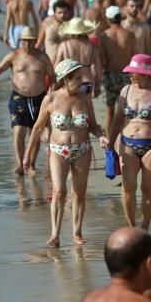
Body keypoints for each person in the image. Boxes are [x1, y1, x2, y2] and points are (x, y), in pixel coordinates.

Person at [25, 60, 108, 247]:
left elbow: (93, 126)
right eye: (77, 78)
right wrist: (28, 156)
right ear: (65, 79)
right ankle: (55, 234)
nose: (81, 81)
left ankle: (77, 232)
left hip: (83, 150)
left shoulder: (85, 98)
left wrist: (101, 136)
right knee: (59, 191)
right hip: (58, 151)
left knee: (79, 192)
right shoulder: (51, 99)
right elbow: (38, 128)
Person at [108, 54, 151, 230]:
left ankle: (144, 227)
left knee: (147, 187)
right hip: (127, 143)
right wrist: (110, 141)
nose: (130, 75)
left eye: (133, 72)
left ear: (144, 74)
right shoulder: (125, 91)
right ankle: (131, 226)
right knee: (128, 187)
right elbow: (117, 119)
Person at [0, 27, 55, 175]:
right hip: (18, 97)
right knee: (18, 132)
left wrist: (52, 94)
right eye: (24, 41)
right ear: (20, 41)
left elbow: (52, 76)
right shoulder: (13, 56)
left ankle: (31, 163)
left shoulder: (42, 57)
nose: (27, 44)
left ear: (35, 41)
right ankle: (19, 163)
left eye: (30, 41)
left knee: (35, 132)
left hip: (39, 99)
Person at [100, 6, 139, 136]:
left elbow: (102, 59)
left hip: (109, 74)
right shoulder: (129, 34)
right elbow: (134, 56)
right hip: (126, 74)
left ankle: (109, 141)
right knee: (127, 110)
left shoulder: (104, 36)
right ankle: (128, 136)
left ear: (108, 19)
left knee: (110, 111)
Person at [55, 17, 102, 98]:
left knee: (72, 107)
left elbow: (56, 67)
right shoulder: (92, 46)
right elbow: (98, 68)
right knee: (86, 108)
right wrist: (98, 85)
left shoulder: (64, 45)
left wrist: (55, 84)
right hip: (87, 81)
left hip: (70, 82)